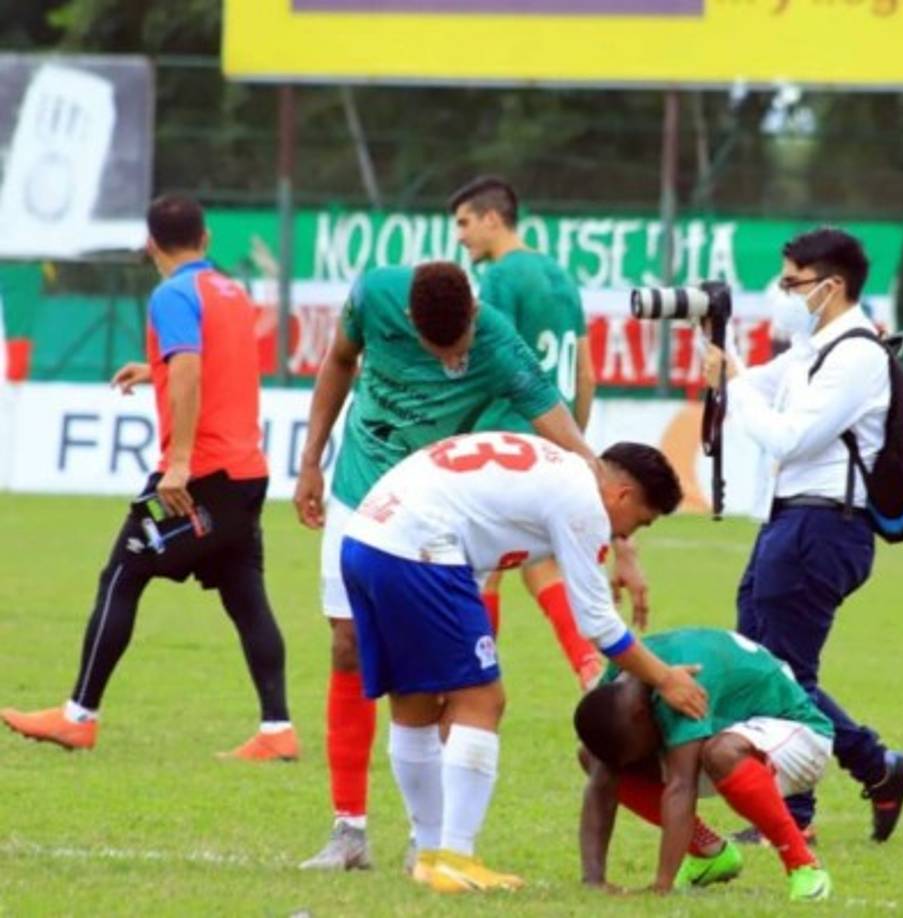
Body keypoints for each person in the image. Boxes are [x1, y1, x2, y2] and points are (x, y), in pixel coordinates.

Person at [294, 260, 637, 870]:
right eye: (439, 353)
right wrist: (311, 458)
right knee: (347, 647)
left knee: (457, 679)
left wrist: (608, 506)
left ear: (475, 316)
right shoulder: (373, 296)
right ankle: (349, 829)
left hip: (440, 519)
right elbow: (339, 362)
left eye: (462, 352)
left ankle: (435, 841)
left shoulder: (499, 341)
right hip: (361, 494)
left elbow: (561, 427)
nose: (455, 363)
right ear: (409, 327)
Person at [339, 435, 705, 892]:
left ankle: (431, 856)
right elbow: (599, 624)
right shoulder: (585, 503)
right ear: (622, 495)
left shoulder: (560, 470)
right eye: (639, 522)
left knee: (413, 703)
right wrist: (665, 678)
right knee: (483, 701)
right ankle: (454, 857)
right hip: (419, 550)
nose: (627, 535)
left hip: (365, 540)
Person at [1, 194, 296, 760]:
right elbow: (207, 361)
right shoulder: (230, 290)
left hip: (203, 476)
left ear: (151, 245)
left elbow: (189, 368)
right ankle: (277, 731)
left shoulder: (172, 294)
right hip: (246, 474)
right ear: (207, 240)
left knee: (123, 572)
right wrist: (154, 368)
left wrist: (178, 462)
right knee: (246, 595)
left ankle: (78, 716)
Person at [703, 227, 903, 844]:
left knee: (783, 674)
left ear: (833, 285)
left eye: (791, 281)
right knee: (763, 664)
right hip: (795, 520)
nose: (781, 293)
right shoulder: (814, 346)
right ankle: (876, 769)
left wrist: (734, 384)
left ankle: (798, 812)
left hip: (825, 525)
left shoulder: (855, 355)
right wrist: (726, 364)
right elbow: (759, 388)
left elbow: (791, 436)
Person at [451, 176, 606, 689]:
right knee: (540, 563)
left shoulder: (499, 278)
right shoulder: (561, 275)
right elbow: (586, 373)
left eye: (465, 223)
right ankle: (588, 664)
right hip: (552, 443)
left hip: (505, 440)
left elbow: (486, 362)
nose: (462, 237)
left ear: (493, 218)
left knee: (482, 565)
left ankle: (478, 678)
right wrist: (573, 442)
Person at [575, 628, 834, 902]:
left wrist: (662, 886)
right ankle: (710, 854)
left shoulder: (685, 685)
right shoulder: (621, 675)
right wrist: (593, 880)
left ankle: (804, 866)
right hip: (735, 734)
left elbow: (681, 786)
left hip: (801, 738)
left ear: (640, 716)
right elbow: (604, 773)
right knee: (593, 758)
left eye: (630, 752)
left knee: (720, 753)